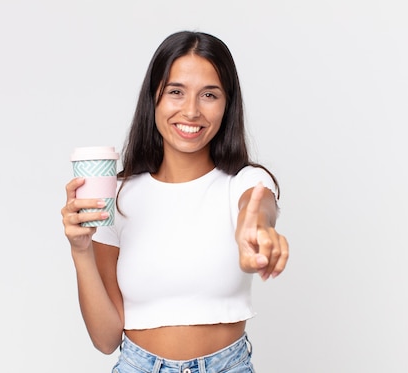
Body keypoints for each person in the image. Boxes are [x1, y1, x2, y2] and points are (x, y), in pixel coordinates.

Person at [61, 30, 289, 373]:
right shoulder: (119, 196)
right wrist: (81, 250)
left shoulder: (246, 183)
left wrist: (255, 230)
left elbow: (256, 209)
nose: (192, 110)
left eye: (209, 94)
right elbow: (106, 339)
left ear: (227, 104)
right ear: (154, 97)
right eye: (176, 92)